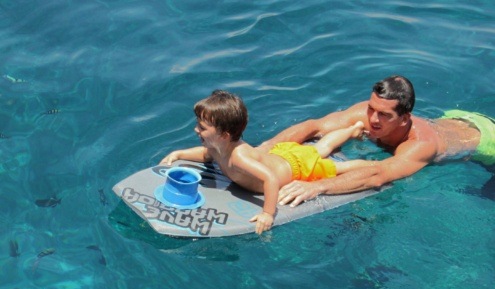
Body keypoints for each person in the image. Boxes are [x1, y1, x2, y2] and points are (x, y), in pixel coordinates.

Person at [258, 75, 495, 207]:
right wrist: (266, 149)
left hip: (485, 142)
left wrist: (316, 187)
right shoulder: (365, 113)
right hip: (456, 119)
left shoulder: (420, 145)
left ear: (404, 119)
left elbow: (379, 174)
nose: (372, 118)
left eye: (384, 115)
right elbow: (313, 126)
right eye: (372, 108)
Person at [160, 90, 368, 234]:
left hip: (295, 168)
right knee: (319, 148)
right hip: (281, 156)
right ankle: (352, 129)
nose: (197, 130)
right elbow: (206, 154)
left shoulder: (239, 157)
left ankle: (367, 163)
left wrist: (268, 213)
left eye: (202, 127)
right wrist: (180, 154)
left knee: (333, 163)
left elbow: (270, 179)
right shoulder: (219, 148)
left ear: (224, 134)